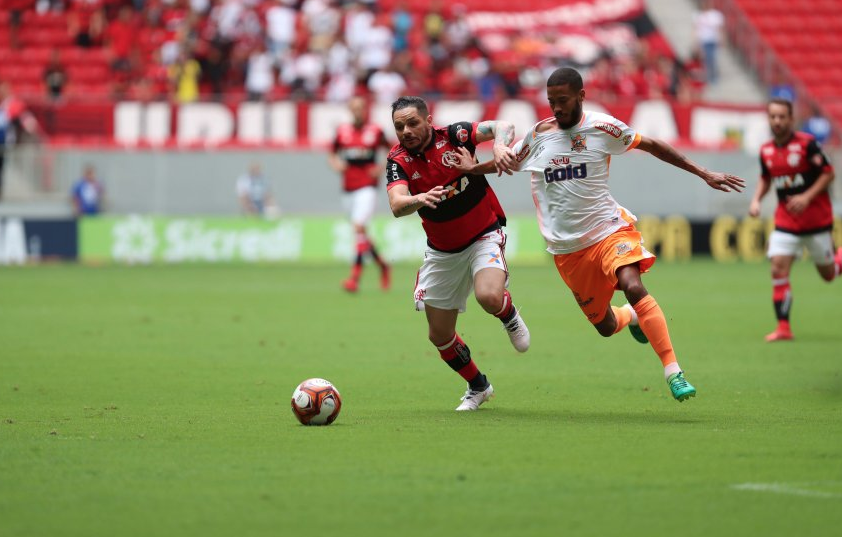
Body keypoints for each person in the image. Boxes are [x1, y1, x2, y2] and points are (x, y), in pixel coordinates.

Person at [452, 67, 745, 402]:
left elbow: (651, 145)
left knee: (633, 285)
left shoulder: (602, 127)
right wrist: (473, 168)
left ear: (581, 96)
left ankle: (673, 371)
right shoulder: (537, 136)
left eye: (563, 100)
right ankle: (631, 316)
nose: (557, 108)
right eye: (551, 101)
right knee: (605, 326)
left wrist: (703, 171)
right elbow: (507, 163)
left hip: (608, 230)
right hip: (568, 251)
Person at [385, 95, 530, 412]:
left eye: (412, 123)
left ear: (428, 120)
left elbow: (503, 125)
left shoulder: (454, 135)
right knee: (439, 334)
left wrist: (501, 147)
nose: (406, 130)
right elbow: (397, 205)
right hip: (443, 253)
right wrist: (420, 198)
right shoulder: (398, 161)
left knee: (489, 297)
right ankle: (479, 386)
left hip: (483, 235)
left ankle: (509, 315)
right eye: (399, 126)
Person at [749, 98, 841, 342]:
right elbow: (766, 178)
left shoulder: (807, 144)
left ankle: (838, 258)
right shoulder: (766, 150)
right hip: (786, 222)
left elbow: (828, 173)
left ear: (791, 119)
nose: (777, 121)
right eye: (773, 117)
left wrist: (807, 197)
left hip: (816, 220)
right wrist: (756, 199)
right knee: (778, 266)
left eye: (782, 117)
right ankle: (783, 328)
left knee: (829, 275)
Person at [328, 95, 392, 293]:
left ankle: (354, 278)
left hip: (367, 187)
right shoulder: (342, 132)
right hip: (348, 188)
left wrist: (381, 167)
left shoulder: (375, 131)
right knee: (360, 233)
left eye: (360, 108)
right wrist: (335, 163)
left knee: (358, 227)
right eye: (354, 108)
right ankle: (382, 265)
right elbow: (332, 152)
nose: (357, 111)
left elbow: (393, 150)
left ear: (366, 110)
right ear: (350, 110)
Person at [692, 0, 724, 85]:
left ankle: (713, 76)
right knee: (706, 59)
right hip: (703, 40)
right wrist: (696, 43)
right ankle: (709, 76)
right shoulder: (698, 15)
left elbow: (719, 29)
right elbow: (696, 30)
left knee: (712, 58)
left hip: (712, 40)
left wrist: (721, 39)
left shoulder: (715, 15)